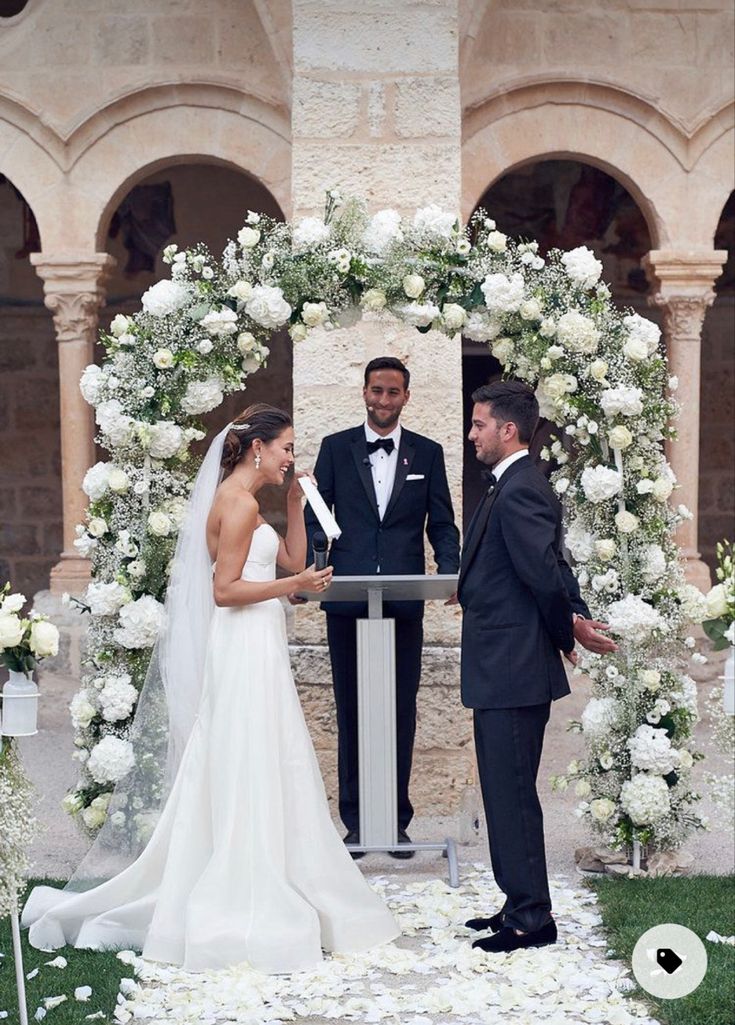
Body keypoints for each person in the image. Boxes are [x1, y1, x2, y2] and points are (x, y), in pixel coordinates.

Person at [22, 404, 399, 974]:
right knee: (246, 749)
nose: (292, 458)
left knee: (270, 752)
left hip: (260, 643)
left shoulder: (251, 500)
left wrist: (296, 510)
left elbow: (291, 560)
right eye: (287, 448)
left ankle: (283, 866)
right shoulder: (237, 503)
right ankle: (243, 883)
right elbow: (224, 590)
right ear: (257, 448)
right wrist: (293, 584)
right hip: (242, 644)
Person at [458, 381, 609, 954]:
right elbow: (540, 565)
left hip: (512, 663)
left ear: (508, 430)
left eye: (478, 425)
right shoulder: (512, 483)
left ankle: (531, 919)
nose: (472, 434)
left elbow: (544, 574)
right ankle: (516, 901)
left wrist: (564, 627)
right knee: (503, 791)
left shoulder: (520, 488)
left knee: (513, 791)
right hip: (504, 659)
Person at [305, 357, 460, 858]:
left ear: (406, 397)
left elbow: (442, 524)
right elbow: (316, 518)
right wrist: (314, 569)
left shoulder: (429, 454)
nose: (383, 400)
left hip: (404, 601)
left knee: (400, 709)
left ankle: (395, 824)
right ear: (364, 392)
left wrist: (451, 575)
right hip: (346, 601)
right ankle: (355, 823)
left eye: (393, 392)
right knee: (350, 708)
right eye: (376, 390)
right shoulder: (335, 449)